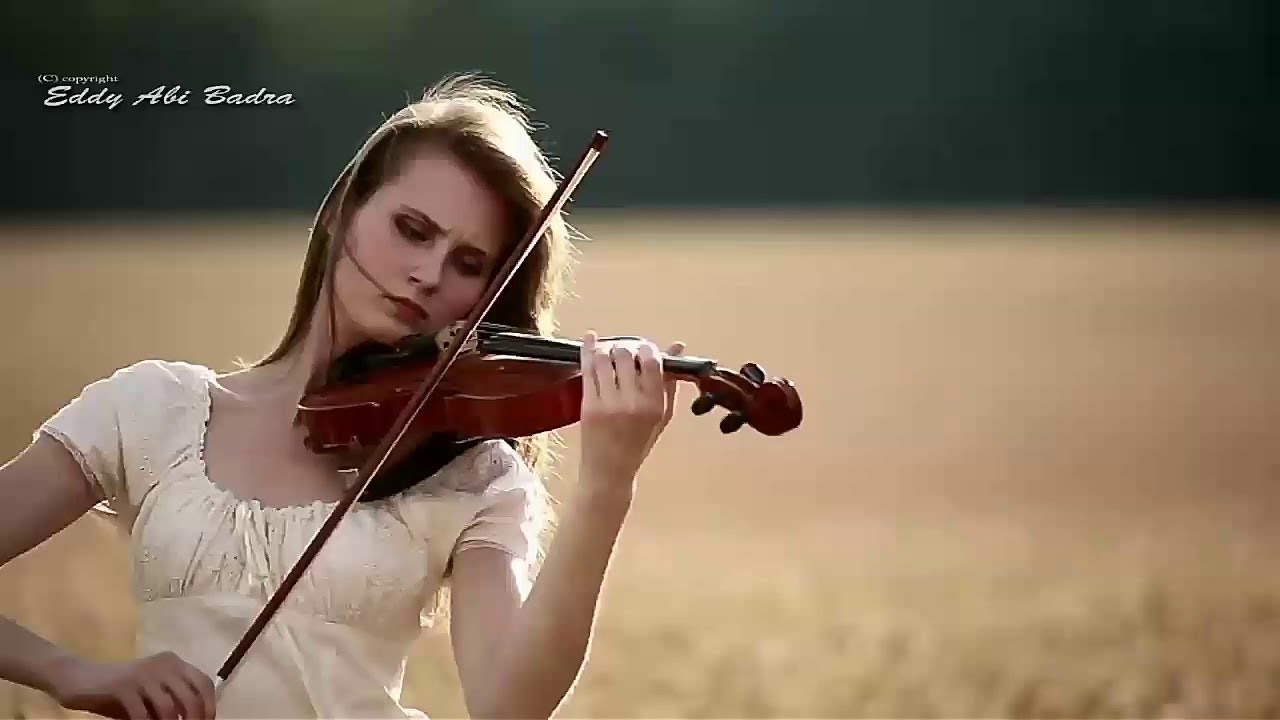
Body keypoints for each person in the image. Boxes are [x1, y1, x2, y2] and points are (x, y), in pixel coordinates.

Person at [0, 73, 684, 719]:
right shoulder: (153, 410)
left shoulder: (468, 473)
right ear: (340, 210)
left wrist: (606, 485)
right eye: (412, 230)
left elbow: (508, 703)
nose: (426, 273)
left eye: (468, 264)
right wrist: (73, 673)